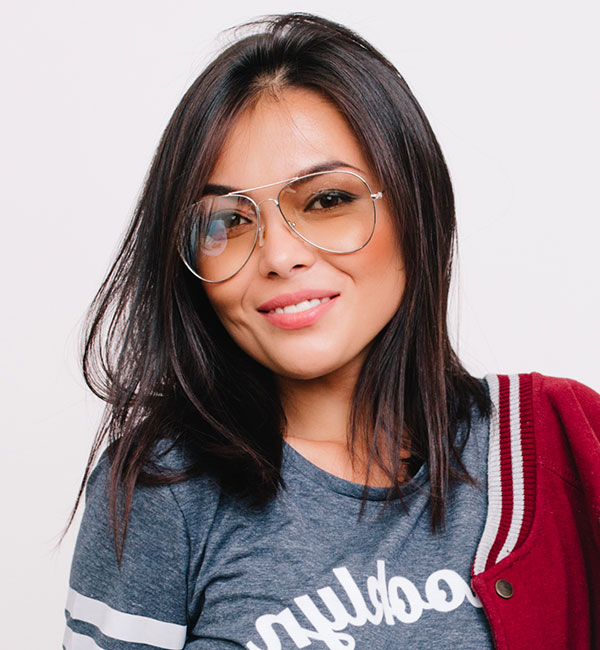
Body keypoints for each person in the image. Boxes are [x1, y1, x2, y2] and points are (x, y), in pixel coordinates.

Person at [62, 13, 600, 650]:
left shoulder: (555, 446)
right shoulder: (160, 491)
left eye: (326, 200)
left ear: (416, 206)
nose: (278, 256)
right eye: (227, 221)